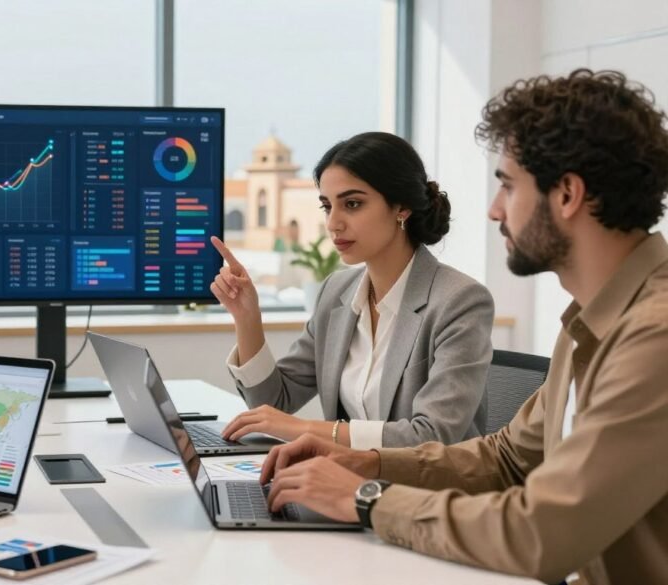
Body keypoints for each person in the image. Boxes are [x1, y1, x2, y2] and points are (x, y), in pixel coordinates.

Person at [260, 69, 668, 585]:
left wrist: (365, 499)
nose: (495, 210)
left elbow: (541, 533)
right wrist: (365, 463)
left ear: (566, 194)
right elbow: (507, 460)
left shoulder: (655, 337)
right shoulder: (587, 322)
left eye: (508, 185)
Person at [212, 132, 495, 449]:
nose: (333, 223)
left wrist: (309, 430)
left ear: (400, 207)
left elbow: (431, 436)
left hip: (426, 492)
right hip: (349, 483)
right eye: (326, 206)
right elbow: (273, 404)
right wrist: (247, 318)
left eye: (352, 204)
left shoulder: (459, 301)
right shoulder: (337, 292)